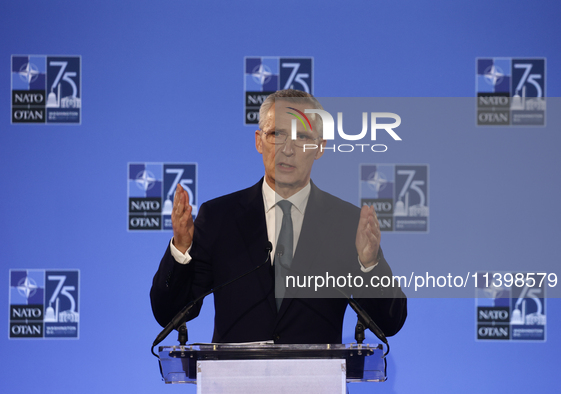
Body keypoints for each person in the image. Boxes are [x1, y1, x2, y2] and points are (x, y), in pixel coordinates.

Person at [150, 89, 406, 344]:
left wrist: (369, 265)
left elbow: (390, 322)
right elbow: (169, 313)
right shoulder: (219, 217)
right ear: (259, 141)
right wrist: (181, 249)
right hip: (236, 382)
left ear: (320, 147)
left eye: (302, 137)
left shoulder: (346, 223)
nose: (287, 149)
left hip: (316, 383)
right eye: (277, 134)